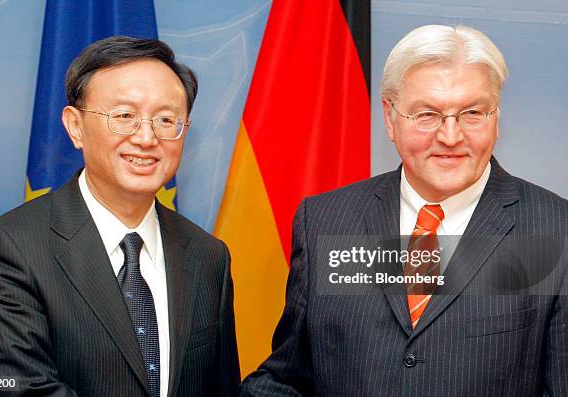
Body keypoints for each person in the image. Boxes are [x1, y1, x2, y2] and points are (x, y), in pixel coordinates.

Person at [240, 25, 567, 396]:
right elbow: (288, 378)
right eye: (427, 114)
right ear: (390, 117)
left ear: (496, 116)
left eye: (472, 113)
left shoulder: (555, 231)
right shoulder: (326, 222)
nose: (450, 136)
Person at [0, 36, 239, 396]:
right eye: (124, 116)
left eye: (166, 119)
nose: (146, 138)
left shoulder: (208, 256)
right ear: (75, 127)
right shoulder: (13, 248)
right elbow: (20, 389)